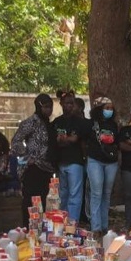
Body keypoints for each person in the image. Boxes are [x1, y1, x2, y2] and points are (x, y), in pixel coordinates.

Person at [11, 93, 56, 225]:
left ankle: (39, 231)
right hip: (33, 168)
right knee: (31, 201)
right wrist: (27, 157)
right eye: (46, 107)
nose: (49, 110)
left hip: (47, 168)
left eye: (51, 107)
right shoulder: (31, 122)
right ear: (39, 106)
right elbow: (15, 142)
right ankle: (27, 228)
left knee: (43, 201)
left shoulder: (49, 124)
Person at [85, 96, 120, 236]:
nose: (109, 111)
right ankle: (96, 227)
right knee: (96, 193)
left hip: (111, 162)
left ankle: (105, 226)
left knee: (106, 194)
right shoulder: (91, 124)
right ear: (99, 109)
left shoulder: (114, 125)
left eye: (111, 108)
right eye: (107, 108)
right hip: (95, 161)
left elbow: (116, 142)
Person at [52, 91, 89, 221]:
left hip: (75, 162)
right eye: (67, 103)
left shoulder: (79, 122)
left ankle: (72, 224)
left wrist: (64, 140)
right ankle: (61, 222)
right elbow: (54, 141)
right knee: (63, 194)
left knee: (75, 194)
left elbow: (74, 139)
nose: (69, 106)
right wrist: (66, 140)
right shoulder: (57, 122)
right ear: (61, 104)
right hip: (61, 162)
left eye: (72, 103)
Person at [0, 132, 18, 198]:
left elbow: (14, 176)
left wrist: (2, 176)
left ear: (2, 144)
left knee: (14, 184)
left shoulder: (10, 158)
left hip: (5, 185)